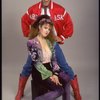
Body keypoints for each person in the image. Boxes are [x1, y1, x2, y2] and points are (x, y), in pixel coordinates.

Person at [15, 0, 82, 100]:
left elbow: (69, 24)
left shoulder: (60, 9)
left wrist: (62, 37)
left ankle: (76, 91)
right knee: (28, 66)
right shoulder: (33, 9)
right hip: (37, 43)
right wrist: (29, 34)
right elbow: (24, 20)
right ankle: (20, 90)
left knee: (64, 66)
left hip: (52, 43)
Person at [27, 14, 71, 100]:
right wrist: (50, 75)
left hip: (49, 68)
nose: (47, 31)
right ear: (39, 27)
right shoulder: (31, 42)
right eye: (45, 28)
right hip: (39, 71)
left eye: (49, 29)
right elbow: (37, 64)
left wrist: (55, 74)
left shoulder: (49, 42)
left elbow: (54, 60)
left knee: (67, 78)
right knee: (59, 90)